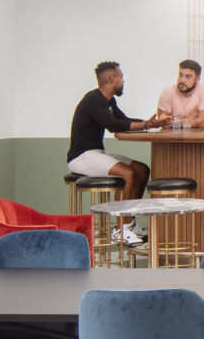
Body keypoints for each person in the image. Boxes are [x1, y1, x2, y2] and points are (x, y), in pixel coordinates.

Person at [67, 61, 171, 245]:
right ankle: (120, 229)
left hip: (95, 153)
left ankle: (129, 223)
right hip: (81, 156)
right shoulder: (93, 99)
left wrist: (153, 124)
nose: (124, 81)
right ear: (112, 79)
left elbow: (123, 120)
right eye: (121, 77)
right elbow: (114, 125)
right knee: (128, 173)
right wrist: (148, 125)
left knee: (141, 170)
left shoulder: (108, 101)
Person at [157, 59, 204, 128]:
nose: (182, 80)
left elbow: (201, 123)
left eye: (188, 76)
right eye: (180, 75)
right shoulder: (168, 92)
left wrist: (177, 121)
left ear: (198, 78)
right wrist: (189, 120)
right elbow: (164, 124)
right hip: (173, 137)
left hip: (199, 137)